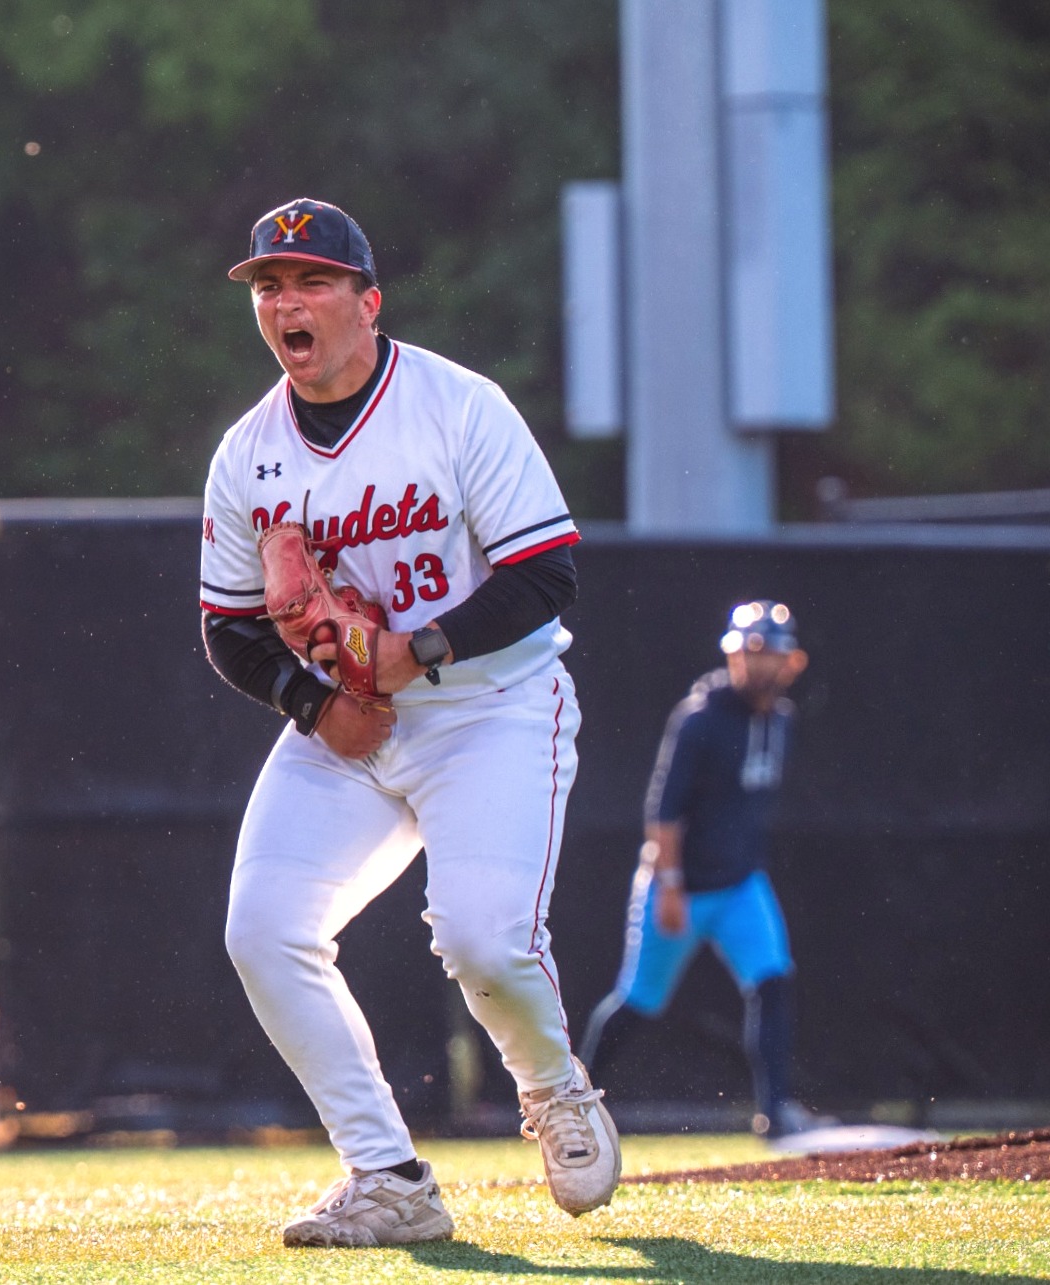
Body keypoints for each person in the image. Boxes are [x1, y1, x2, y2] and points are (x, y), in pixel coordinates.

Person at [197, 197, 619, 1249]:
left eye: (310, 282)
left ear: (367, 302)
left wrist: (413, 650)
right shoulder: (248, 454)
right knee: (262, 929)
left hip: (490, 706)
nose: (285, 302)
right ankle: (386, 1175)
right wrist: (310, 702)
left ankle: (554, 1085)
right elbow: (228, 629)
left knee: (481, 939)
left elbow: (545, 574)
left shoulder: (454, 406)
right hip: (349, 721)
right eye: (268, 286)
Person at [578, 601, 829, 1140]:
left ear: (794, 662)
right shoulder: (699, 718)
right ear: (732, 655)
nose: (756, 664)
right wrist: (669, 886)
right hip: (681, 888)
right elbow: (663, 814)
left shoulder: (780, 720)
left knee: (773, 981)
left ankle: (775, 1112)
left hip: (740, 885)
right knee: (638, 1001)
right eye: (747, 651)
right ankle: (571, 1105)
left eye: (768, 653)